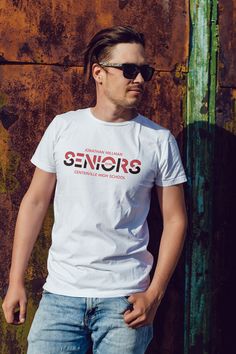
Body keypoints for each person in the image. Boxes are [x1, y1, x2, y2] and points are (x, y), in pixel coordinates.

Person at [2, 25, 188, 354]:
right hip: (60, 295)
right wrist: (16, 280)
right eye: (129, 70)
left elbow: (175, 220)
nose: (140, 79)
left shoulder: (158, 141)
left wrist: (154, 294)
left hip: (125, 302)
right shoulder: (64, 126)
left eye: (145, 70)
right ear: (98, 73)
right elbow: (35, 202)